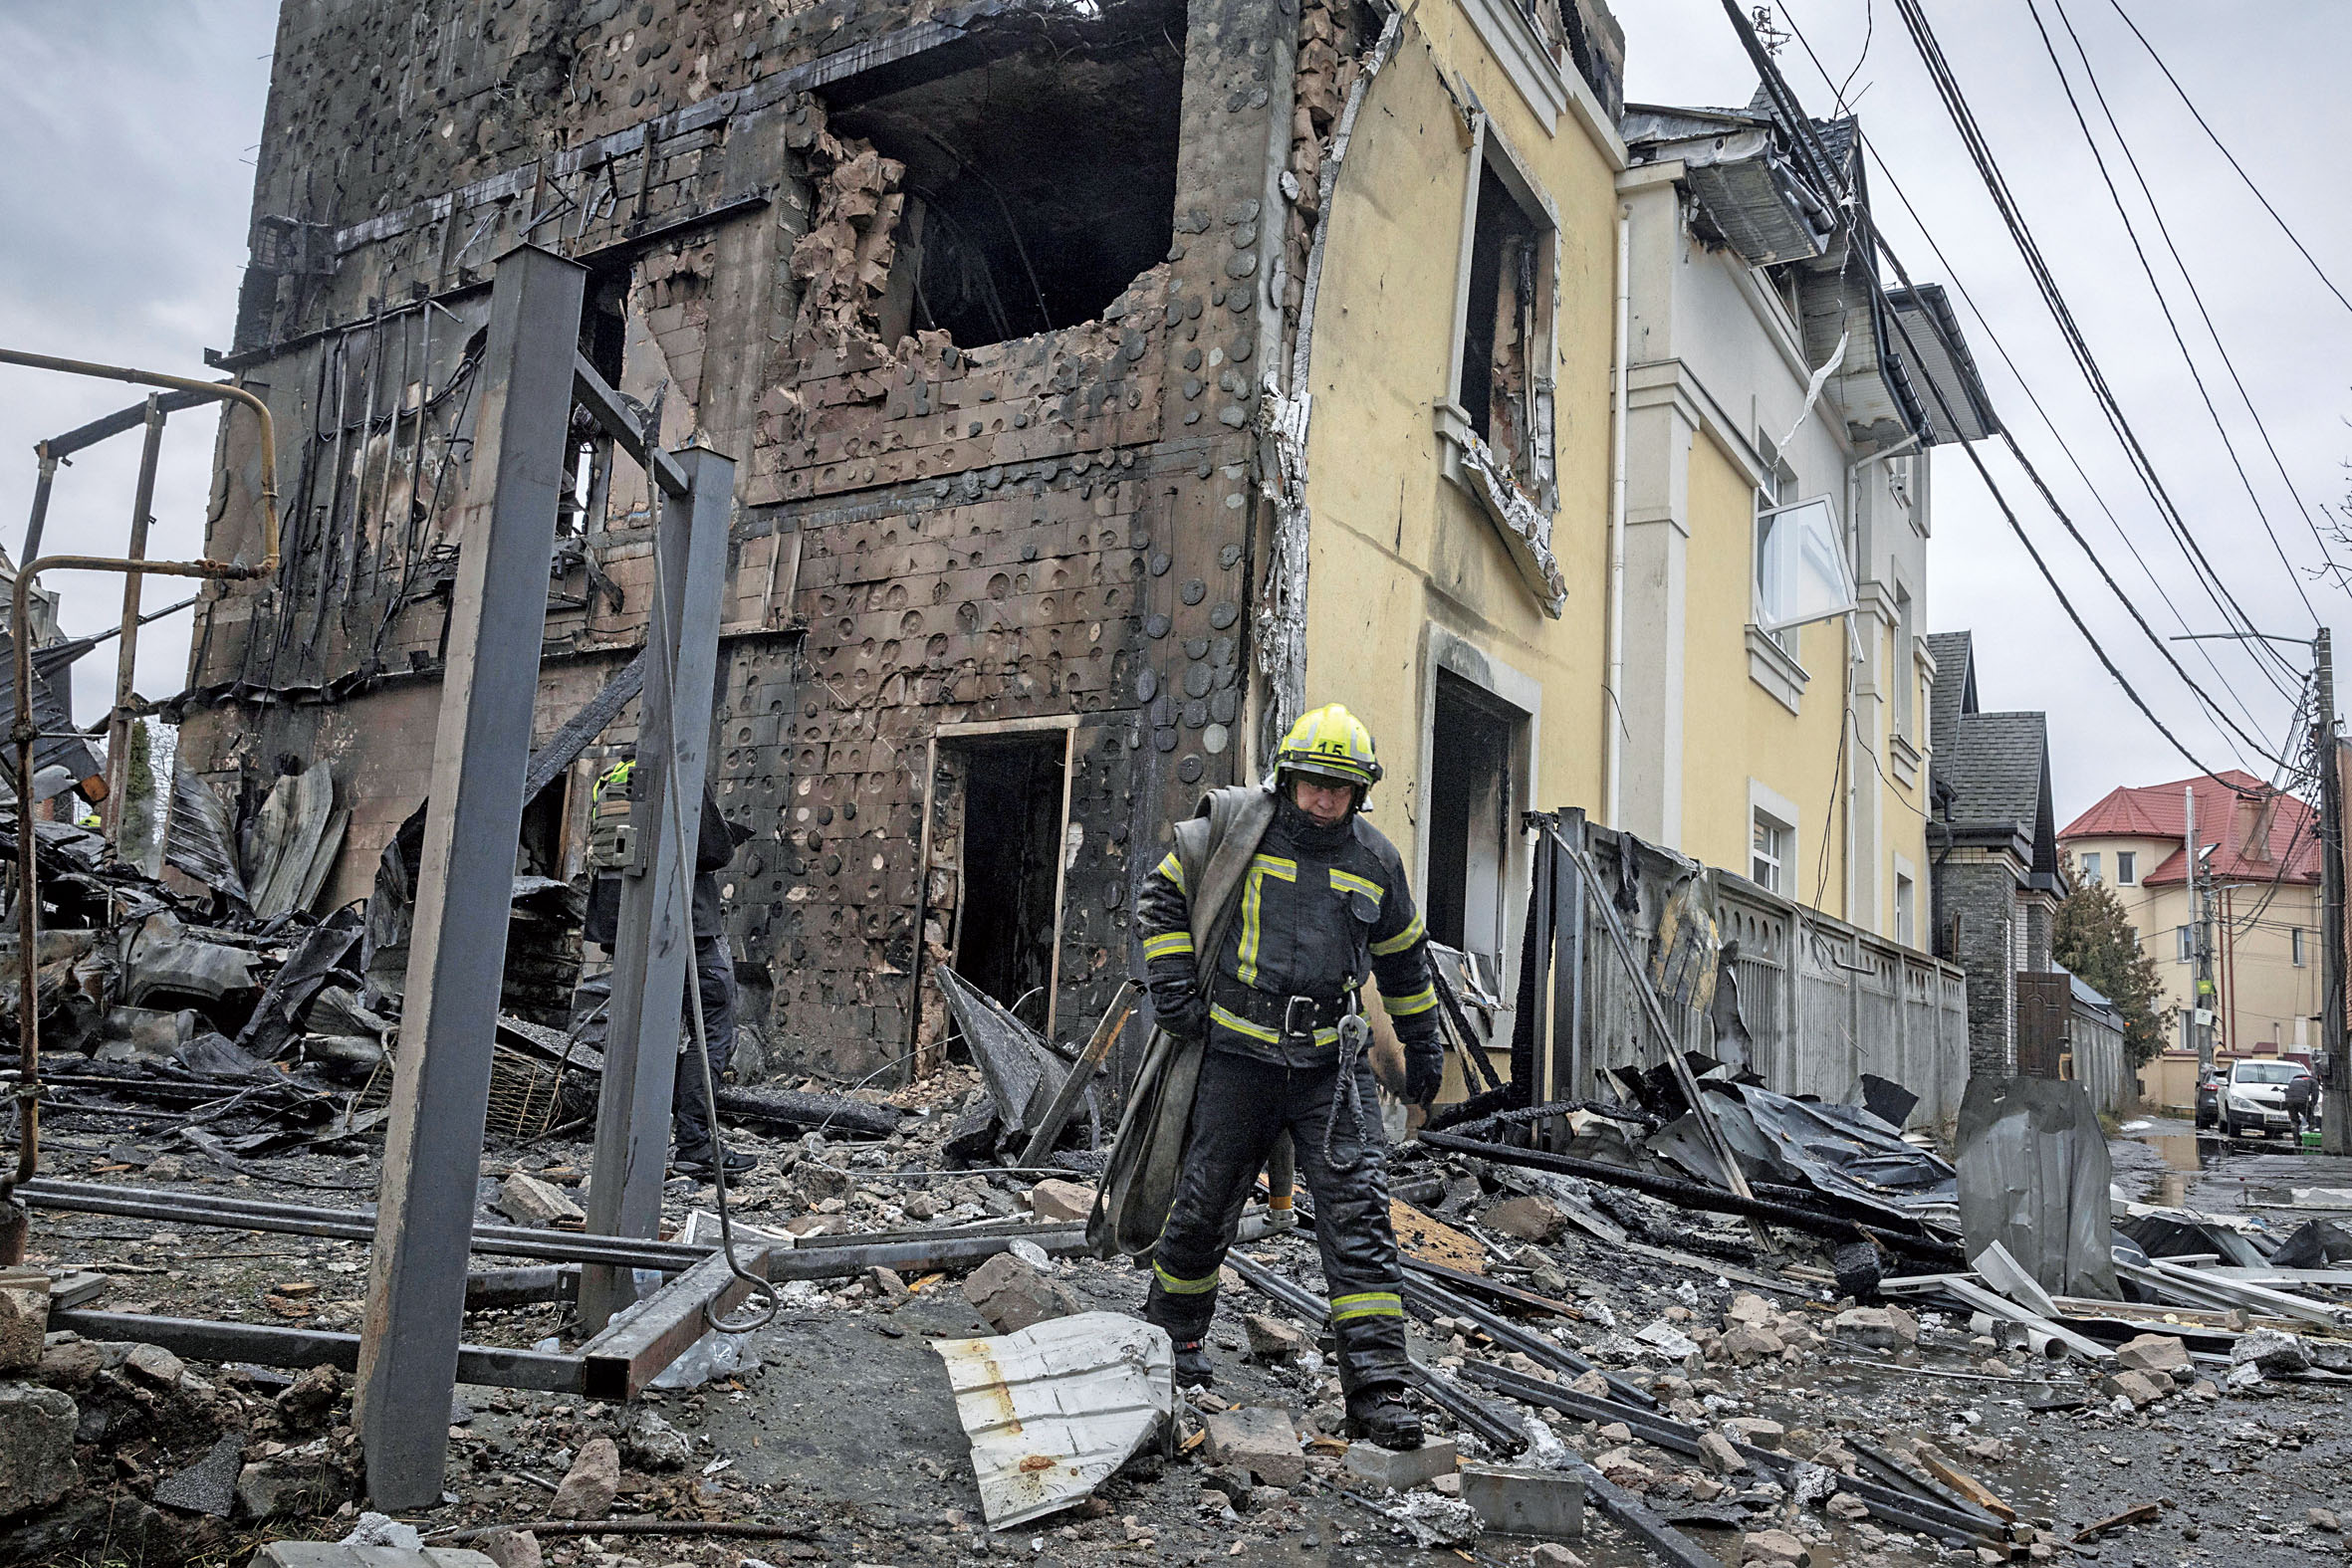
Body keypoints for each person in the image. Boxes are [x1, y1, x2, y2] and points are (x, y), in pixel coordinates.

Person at [1132, 703, 1443, 1450]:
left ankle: (1379, 1393)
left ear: (1360, 792)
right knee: (1204, 1201)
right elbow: (1160, 896)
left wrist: (1422, 1042)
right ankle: (1171, 1341)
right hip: (1236, 1057)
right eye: (1312, 783)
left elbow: (1404, 963)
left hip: (1329, 1072)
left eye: (1340, 787)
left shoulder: (1376, 862)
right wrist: (1173, 986)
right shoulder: (1239, 830)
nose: (1324, 799)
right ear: (1287, 777)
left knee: (1361, 1221)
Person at [585, 753, 756, 1182]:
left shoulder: (613, 778)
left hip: (625, 926)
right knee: (712, 1031)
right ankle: (696, 1144)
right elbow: (714, 848)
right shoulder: (681, 770)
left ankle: (628, 1141)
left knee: (646, 1032)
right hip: (686, 926)